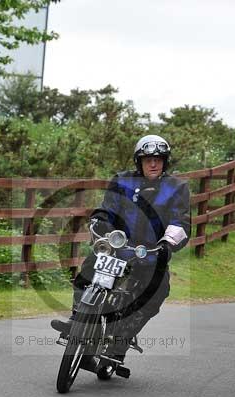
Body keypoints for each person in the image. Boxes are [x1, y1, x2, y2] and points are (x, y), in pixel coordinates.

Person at [50, 134, 191, 362]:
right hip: (117, 246)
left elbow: (180, 220)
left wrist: (167, 243)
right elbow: (108, 208)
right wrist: (100, 222)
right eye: (147, 159)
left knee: (157, 291)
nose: (153, 163)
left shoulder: (177, 187)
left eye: (158, 159)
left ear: (165, 161)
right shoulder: (122, 181)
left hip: (150, 254)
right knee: (88, 270)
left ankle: (121, 341)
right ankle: (77, 320)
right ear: (139, 161)